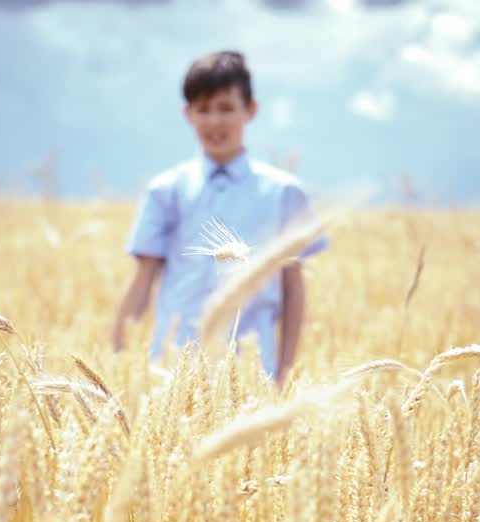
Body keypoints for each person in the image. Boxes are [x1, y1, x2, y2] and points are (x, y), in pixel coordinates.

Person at [110, 49, 329, 386]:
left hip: (254, 373)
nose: (214, 121)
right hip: (171, 372)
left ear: (250, 110)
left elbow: (293, 288)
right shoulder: (165, 190)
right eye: (203, 110)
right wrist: (119, 369)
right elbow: (142, 282)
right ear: (187, 114)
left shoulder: (285, 193)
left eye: (226, 108)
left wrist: (284, 372)